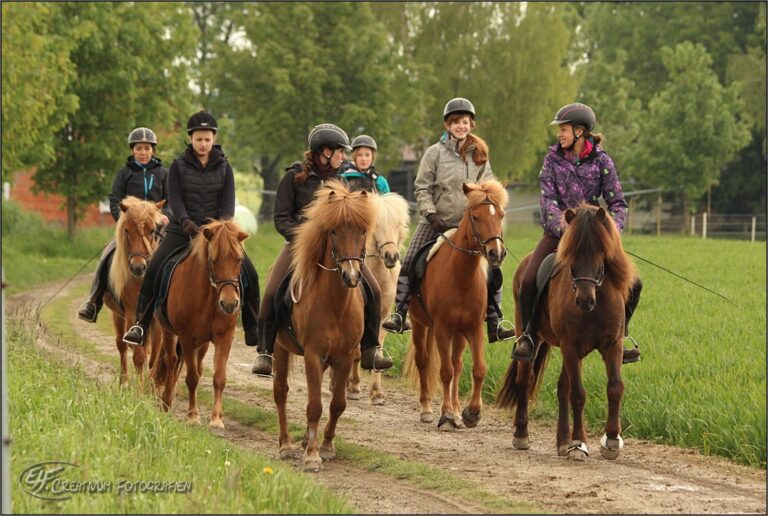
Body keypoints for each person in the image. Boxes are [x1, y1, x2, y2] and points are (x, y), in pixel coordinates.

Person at [251, 124, 393, 376]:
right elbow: (281, 218)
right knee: (272, 291)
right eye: (341, 152)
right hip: (297, 248)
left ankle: (371, 347)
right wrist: (304, 238)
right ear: (325, 152)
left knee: (374, 289)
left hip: (335, 250)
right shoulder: (293, 178)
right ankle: (265, 351)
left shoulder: (338, 181)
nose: (345, 157)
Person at [511, 102, 642, 364]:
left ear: (580, 131)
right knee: (528, 280)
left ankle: (621, 335)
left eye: (564, 129)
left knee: (635, 283)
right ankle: (526, 336)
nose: (560, 134)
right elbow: (547, 200)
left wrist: (610, 232)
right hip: (559, 235)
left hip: (595, 239)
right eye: (560, 129)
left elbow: (618, 203)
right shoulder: (552, 160)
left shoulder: (603, 161)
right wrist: (565, 227)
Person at [381, 98, 515, 343]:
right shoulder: (434, 153)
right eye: (455, 122)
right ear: (447, 125)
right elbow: (422, 188)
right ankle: (400, 313)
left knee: (494, 266)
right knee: (410, 261)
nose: (460, 126)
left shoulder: (480, 156)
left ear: (471, 124)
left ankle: (495, 321)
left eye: (464, 122)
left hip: (471, 227)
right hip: (436, 222)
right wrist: (431, 215)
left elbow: (489, 189)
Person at [121, 111, 260, 347]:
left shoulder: (225, 168)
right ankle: (140, 325)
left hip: (216, 234)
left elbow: (227, 204)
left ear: (213, 139)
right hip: (181, 229)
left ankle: (252, 328)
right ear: (191, 139)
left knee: (250, 273)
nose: (203, 144)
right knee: (154, 268)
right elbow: (175, 199)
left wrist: (219, 228)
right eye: (198, 139)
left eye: (207, 139)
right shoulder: (178, 165)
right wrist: (185, 221)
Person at [77, 127, 170, 323]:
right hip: (130, 230)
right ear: (132, 151)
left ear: (153, 150)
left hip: (156, 229)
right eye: (138, 149)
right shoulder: (125, 173)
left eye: (146, 148)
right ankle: (94, 301)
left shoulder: (163, 173)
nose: (143, 153)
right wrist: (122, 219)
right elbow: (114, 199)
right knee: (107, 255)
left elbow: (171, 201)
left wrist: (165, 216)